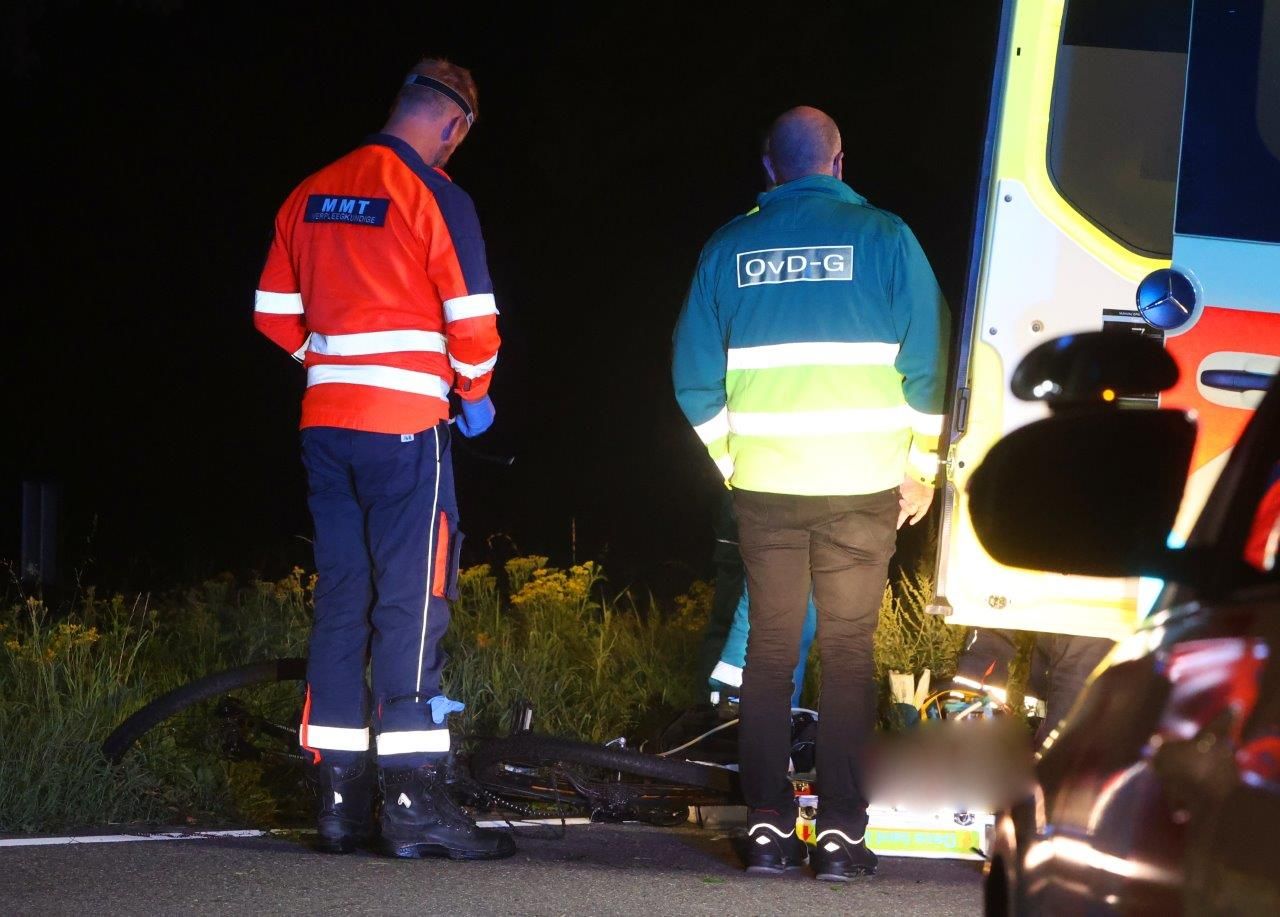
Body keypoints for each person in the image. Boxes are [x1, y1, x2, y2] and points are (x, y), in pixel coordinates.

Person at [672, 107, 949, 881]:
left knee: (768, 656)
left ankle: (764, 832)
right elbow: (928, 362)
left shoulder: (728, 247)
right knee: (851, 657)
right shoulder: (888, 237)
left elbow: (693, 378)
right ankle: (841, 839)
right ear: (838, 161)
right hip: (863, 487)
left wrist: (736, 459)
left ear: (770, 168)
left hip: (767, 488)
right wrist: (920, 462)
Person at [253, 58, 513, 861]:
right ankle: (411, 806)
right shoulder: (436, 195)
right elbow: (472, 323)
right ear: (454, 124)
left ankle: (338, 803)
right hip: (406, 428)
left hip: (326, 425)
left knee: (343, 600)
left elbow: (270, 313)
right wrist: (469, 390)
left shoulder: (309, 191)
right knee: (411, 598)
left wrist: (332, 363)